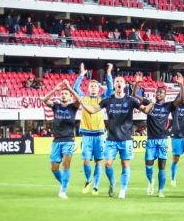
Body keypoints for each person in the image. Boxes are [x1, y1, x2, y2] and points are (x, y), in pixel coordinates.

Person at [80, 75, 146, 199]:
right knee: (107, 164)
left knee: (125, 165)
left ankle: (123, 190)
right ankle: (112, 182)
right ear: (114, 85)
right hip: (111, 139)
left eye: (121, 81)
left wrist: (150, 106)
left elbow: (144, 109)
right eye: (117, 81)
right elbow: (93, 110)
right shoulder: (108, 100)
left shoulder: (131, 100)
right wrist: (83, 102)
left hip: (126, 139)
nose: (119, 83)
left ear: (125, 85)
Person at [137, 73, 184, 198]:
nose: (158, 94)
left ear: (165, 95)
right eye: (157, 92)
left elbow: (181, 99)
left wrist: (181, 85)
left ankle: (160, 190)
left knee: (162, 166)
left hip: (163, 140)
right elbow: (135, 96)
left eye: (161, 92)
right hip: (151, 140)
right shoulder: (150, 103)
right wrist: (137, 83)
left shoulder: (167, 106)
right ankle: (151, 182)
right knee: (148, 165)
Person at [72, 63, 114, 195]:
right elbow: (74, 88)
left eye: (96, 86)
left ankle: (96, 186)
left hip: (100, 134)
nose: (94, 88)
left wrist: (108, 73)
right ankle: (88, 180)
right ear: (88, 88)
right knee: (86, 160)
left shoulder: (102, 98)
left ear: (98, 88)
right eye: (91, 86)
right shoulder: (83, 98)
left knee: (98, 162)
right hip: (87, 134)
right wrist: (82, 75)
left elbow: (111, 88)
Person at [42, 80, 83, 199]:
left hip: (69, 140)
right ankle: (65, 182)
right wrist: (54, 89)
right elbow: (44, 100)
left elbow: (79, 101)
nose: (63, 95)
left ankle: (63, 190)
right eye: (62, 93)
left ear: (69, 96)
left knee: (66, 165)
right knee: (54, 168)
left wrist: (70, 88)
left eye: (66, 94)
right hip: (56, 140)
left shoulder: (73, 107)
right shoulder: (56, 106)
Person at [169, 80, 184, 188]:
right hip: (177, 135)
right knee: (175, 159)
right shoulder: (175, 106)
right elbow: (181, 95)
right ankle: (173, 179)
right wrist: (182, 85)